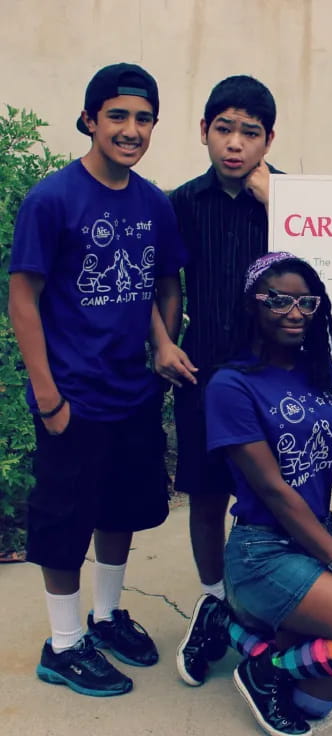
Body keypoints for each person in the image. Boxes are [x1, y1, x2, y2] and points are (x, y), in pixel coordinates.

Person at [8, 63, 189, 696]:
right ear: (89, 119)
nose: (130, 129)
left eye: (143, 119)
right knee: (65, 522)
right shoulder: (52, 198)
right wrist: (49, 395)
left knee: (124, 508)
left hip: (133, 391)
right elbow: (22, 299)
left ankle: (107, 616)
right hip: (73, 397)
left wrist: (162, 346)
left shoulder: (153, 203)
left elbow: (164, 280)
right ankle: (62, 646)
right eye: (117, 115)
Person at [205, 252, 332, 736]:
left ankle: (233, 632)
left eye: (306, 302)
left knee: (313, 705)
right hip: (263, 551)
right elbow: (274, 491)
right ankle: (262, 664)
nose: (294, 313)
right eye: (278, 300)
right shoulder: (230, 385)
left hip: (320, 545)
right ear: (252, 306)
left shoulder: (321, 372)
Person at [168, 74, 282, 687]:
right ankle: (214, 600)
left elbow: (331, 268)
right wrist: (161, 341)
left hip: (274, 378)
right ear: (205, 132)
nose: (235, 144)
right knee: (207, 492)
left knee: (276, 494)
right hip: (205, 372)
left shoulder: (294, 199)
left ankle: (267, 604)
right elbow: (167, 281)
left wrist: (277, 204)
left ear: (269, 138)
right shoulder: (182, 202)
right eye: (224, 129)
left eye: (250, 132)